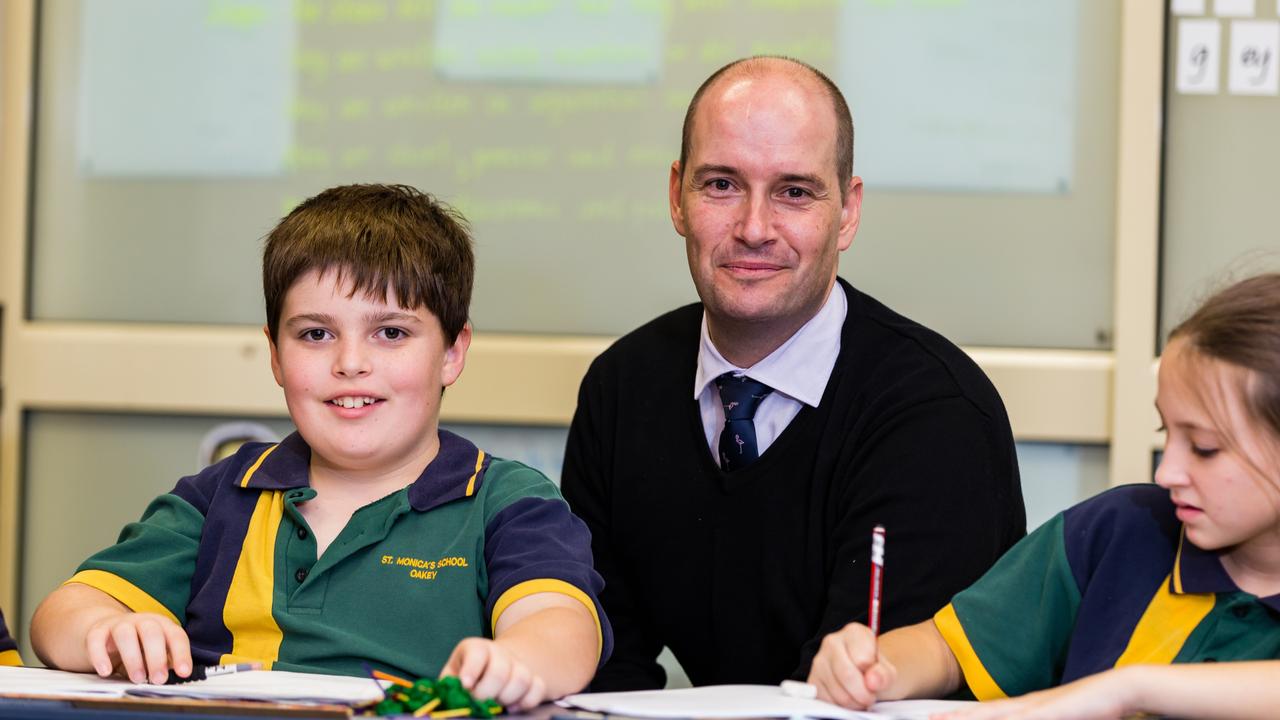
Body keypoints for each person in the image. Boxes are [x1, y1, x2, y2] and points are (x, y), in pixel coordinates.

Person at [30, 184, 610, 709]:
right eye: (315, 334)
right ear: (276, 355)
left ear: (453, 353)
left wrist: (519, 660)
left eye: (391, 333)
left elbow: (562, 627)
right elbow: (59, 616)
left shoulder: (504, 501)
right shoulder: (221, 495)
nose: (350, 364)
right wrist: (106, 631)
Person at [560, 55, 1026, 690]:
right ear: (677, 197)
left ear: (848, 212)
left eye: (794, 192)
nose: (754, 229)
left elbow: (854, 693)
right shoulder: (622, 388)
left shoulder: (936, 417)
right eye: (721, 185)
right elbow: (603, 661)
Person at [808, 273, 1280, 720]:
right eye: (1165, 432)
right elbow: (946, 648)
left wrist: (1127, 689)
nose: (1168, 470)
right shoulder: (1119, 531)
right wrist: (876, 666)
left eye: (1205, 448)